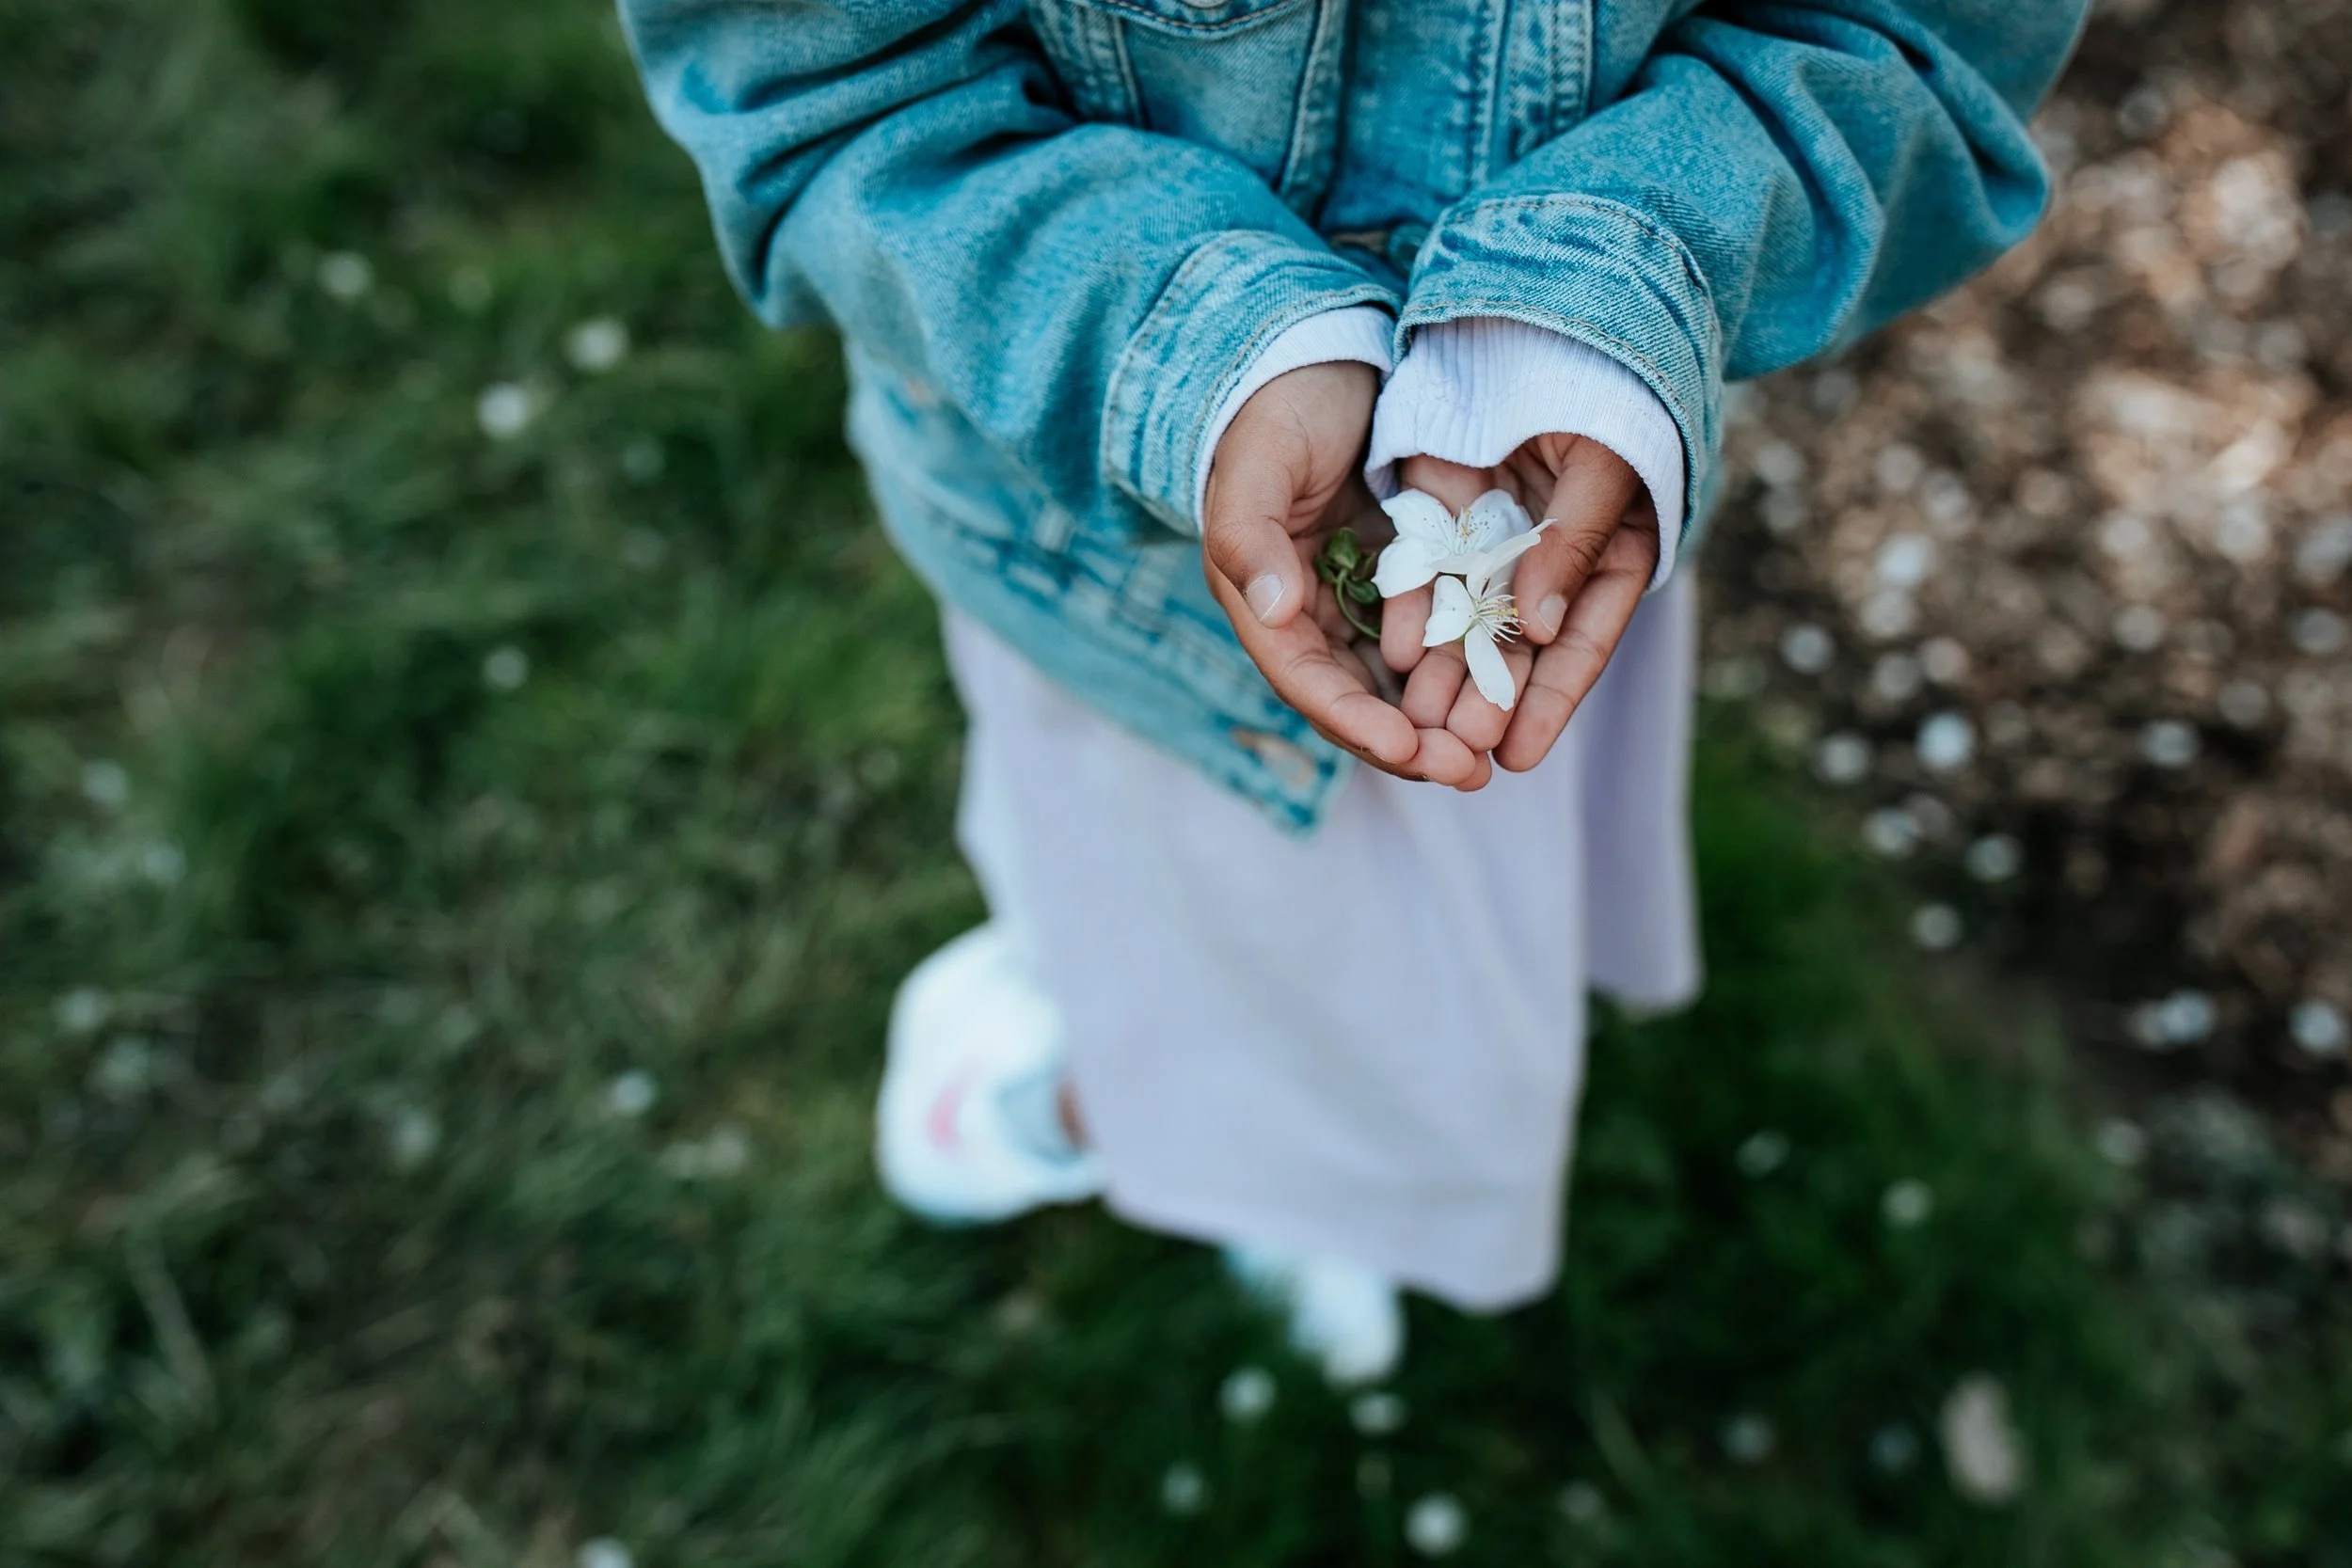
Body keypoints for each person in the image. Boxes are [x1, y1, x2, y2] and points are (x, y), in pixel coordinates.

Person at [618, 0, 2089, 1382]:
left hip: (1543, 513)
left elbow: (1921, 36)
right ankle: (1140, 1104)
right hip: (1120, 567)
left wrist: (1618, 285)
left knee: (1380, 977)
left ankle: (1254, 1147)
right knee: (1180, 895)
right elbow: (834, 97)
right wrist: (1209, 358)